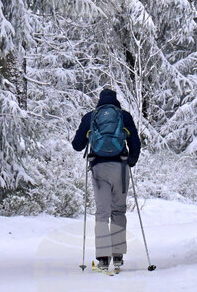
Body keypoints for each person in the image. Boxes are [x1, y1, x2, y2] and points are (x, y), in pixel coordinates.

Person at [72, 87, 141, 271]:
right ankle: (117, 255)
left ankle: (103, 257)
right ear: (116, 100)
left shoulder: (91, 117)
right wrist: (131, 161)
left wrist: (89, 136)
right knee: (118, 210)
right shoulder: (124, 116)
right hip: (121, 168)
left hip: (99, 168)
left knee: (102, 212)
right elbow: (135, 142)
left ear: (99, 101)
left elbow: (77, 145)